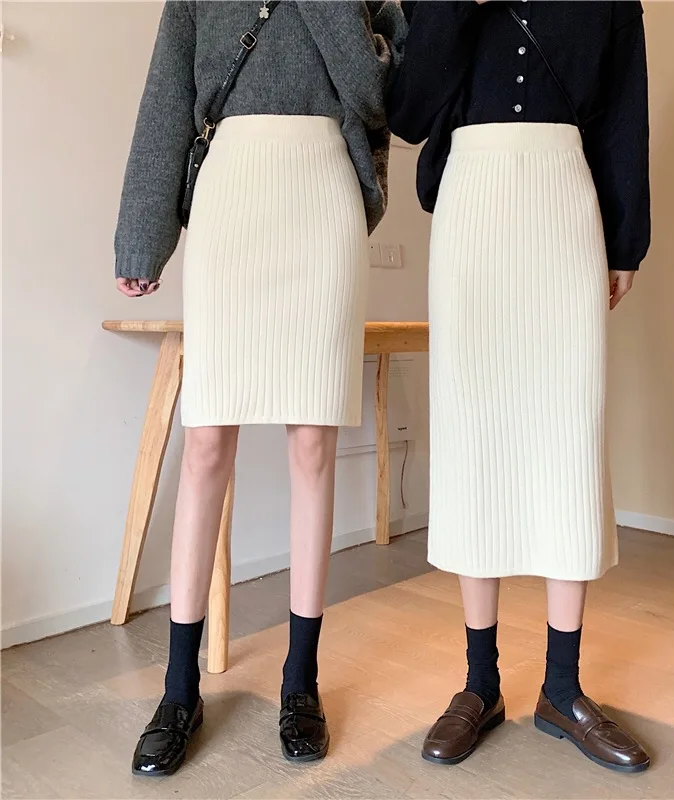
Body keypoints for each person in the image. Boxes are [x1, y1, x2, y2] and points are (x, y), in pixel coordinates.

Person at [115, 0, 405, 775]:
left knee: (313, 442)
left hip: (322, 196)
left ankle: (300, 678)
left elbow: (374, 95)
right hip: (230, 195)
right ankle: (179, 688)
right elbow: (167, 95)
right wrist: (143, 235)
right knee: (207, 441)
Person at [388, 0, 651, 772]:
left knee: (570, 435)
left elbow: (623, 114)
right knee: (475, 435)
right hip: (471, 210)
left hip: (565, 208)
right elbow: (407, 113)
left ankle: (562, 688)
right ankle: (480, 684)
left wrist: (625, 241)